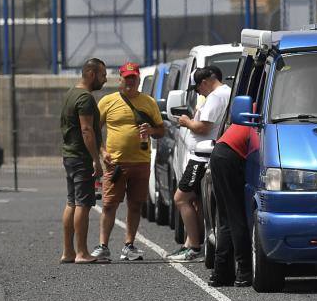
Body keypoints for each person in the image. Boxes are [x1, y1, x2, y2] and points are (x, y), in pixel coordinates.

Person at [91, 61, 165, 262]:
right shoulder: (108, 101)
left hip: (141, 162)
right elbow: (94, 130)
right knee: (109, 204)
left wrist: (151, 131)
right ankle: (103, 246)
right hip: (115, 163)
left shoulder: (149, 102)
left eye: (134, 78)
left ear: (139, 79)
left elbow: (161, 130)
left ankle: (129, 245)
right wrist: (101, 151)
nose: (130, 82)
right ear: (120, 80)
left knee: (135, 204)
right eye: (127, 78)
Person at [168, 65, 231, 262]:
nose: (199, 92)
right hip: (207, 154)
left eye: (198, 88)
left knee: (181, 198)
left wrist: (187, 121)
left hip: (201, 157)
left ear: (204, 82)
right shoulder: (227, 92)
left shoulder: (215, 96)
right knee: (197, 201)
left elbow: (203, 128)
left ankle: (194, 247)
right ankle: (190, 243)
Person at [60, 57, 107, 264]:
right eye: (103, 75)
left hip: (70, 155)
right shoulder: (85, 98)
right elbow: (87, 130)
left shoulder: (71, 93)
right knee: (83, 204)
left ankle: (68, 252)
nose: (105, 80)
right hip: (81, 157)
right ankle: (81, 252)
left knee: (71, 202)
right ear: (91, 74)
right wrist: (96, 160)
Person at [207, 123, 254, 287]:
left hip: (221, 154)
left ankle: (221, 273)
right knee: (235, 216)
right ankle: (244, 270)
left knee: (227, 218)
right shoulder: (263, 112)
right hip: (229, 156)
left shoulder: (252, 109)